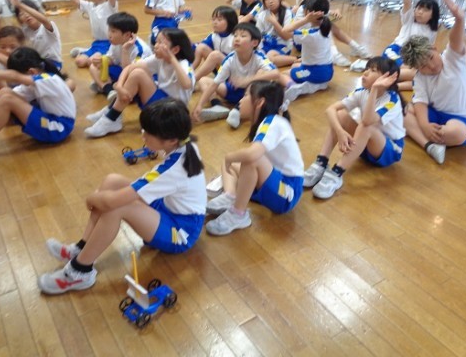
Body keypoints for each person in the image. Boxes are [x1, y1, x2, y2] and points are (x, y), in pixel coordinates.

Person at [38, 99, 206, 294]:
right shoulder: (183, 143)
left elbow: (112, 202)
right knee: (113, 181)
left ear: (171, 140)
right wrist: (101, 198)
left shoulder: (173, 169)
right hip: (168, 207)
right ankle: (82, 248)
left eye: (148, 133)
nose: (143, 135)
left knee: (116, 207)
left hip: (182, 231)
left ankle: (80, 272)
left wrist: (91, 199)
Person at [205, 81, 303, 236]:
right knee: (235, 161)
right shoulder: (267, 122)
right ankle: (230, 195)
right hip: (273, 181)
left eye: (245, 96)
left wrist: (229, 157)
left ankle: (238, 214)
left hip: (286, 193)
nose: (240, 100)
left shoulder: (272, 122)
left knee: (249, 159)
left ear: (259, 102)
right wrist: (230, 159)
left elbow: (252, 155)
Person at [303, 57, 404, 199]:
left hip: (389, 151)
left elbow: (367, 120)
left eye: (373, 70)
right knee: (341, 115)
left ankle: (337, 173)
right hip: (362, 146)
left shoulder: (392, 100)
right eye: (367, 69)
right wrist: (340, 132)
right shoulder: (361, 92)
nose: (365, 73)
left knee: (365, 126)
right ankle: (321, 161)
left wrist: (375, 89)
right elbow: (330, 109)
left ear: (387, 79)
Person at [400, 0, 466, 165]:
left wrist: (459, 19)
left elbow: (455, 40)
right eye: (423, 66)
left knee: (454, 133)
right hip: (436, 114)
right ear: (416, 68)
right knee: (400, 112)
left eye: (431, 58)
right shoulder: (420, 77)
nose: (431, 66)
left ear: (434, 48)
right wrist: (424, 125)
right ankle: (429, 145)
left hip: (463, 118)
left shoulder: (452, 60)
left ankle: (428, 138)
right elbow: (420, 102)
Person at [85, 28, 195, 138]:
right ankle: (111, 113)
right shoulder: (158, 59)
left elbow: (187, 84)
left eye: (161, 43)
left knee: (138, 74)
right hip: (162, 103)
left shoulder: (184, 64)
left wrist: (171, 58)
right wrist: (119, 86)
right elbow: (129, 68)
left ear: (175, 49)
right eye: (156, 41)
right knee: (136, 72)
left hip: (173, 112)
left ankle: (112, 117)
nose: (155, 45)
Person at [192, 23, 279, 129]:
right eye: (235, 35)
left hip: (250, 96)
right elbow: (215, 84)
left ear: (254, 42)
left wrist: (247, 80)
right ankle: (217, 105)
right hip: (232, 90)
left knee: (261, 74)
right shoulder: (230, 59)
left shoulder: (259, 57)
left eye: (243, 36)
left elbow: (276, 73)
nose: (237, 39)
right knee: (203, 80)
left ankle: (237, 110)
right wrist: (200, 105)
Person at [382, 0, 440, 90]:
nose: (420, 12)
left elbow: (426, 52)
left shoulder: (432, 31)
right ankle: (385, 77)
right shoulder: (409, 19)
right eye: (419, 8)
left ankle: (394, 85)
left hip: (411, 59)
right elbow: (407, 0)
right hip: (395, 51)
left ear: (433, 15)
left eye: (425, 10)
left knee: (424, 75)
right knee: (413, 72)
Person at [280, 0, 334, 102]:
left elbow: (285, 30)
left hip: (314, 72)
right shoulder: (326, 27)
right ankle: (318, 84)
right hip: (328, 72)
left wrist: (305, 20)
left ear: (308, 12)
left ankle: (294, 86)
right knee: (295, 65)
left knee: (281, 75)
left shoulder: (310, 33)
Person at [88, 12, 152, 96]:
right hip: (121, 71)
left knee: (127, 88)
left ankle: (107, 86)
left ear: (127, 35)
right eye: (109, 30)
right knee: (93, 66)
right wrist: (101, 60)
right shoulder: (116, 42)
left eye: (113, 31)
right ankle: (109, 90)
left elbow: (131, 73)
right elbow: (112, 59)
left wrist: (125, 50)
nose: (109, 35)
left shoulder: (140, 50)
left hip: (136, 78)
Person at [69, 0, 119, 68]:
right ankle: (84, 50)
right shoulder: (90, 6)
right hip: (97, 43)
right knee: (79, 62)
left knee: (91, 62)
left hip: (110, 43)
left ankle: (86, 51)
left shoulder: (110, 5)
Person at [11, 0, 63, 69]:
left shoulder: (46, 26)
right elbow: (11, 41)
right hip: (37, 63)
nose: (26, 15)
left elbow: (44, 20)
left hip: (52, 63)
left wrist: (20, 5)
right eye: (22, 14)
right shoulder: (25, 30)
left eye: (29, 11)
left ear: (37, 12)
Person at [192, 5, 238, 81]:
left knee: (216, 55)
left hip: (235, 72)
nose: (215, 22)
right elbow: (199, 46)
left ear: (230, 22)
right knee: (201, 47)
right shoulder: (214, 35)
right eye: (213, 19)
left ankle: (192, 80)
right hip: (221, 69)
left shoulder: (235, 38)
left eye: (219, 20)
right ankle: (188, 73)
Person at [256, 0, 296, 68]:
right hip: (266, 45)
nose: (270, 1)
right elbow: (257, 35)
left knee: (270, 57)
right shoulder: (262, 15)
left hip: (283, 45)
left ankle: (295, 59)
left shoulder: (287, 13)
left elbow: (287, 37)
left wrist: (275, 22)